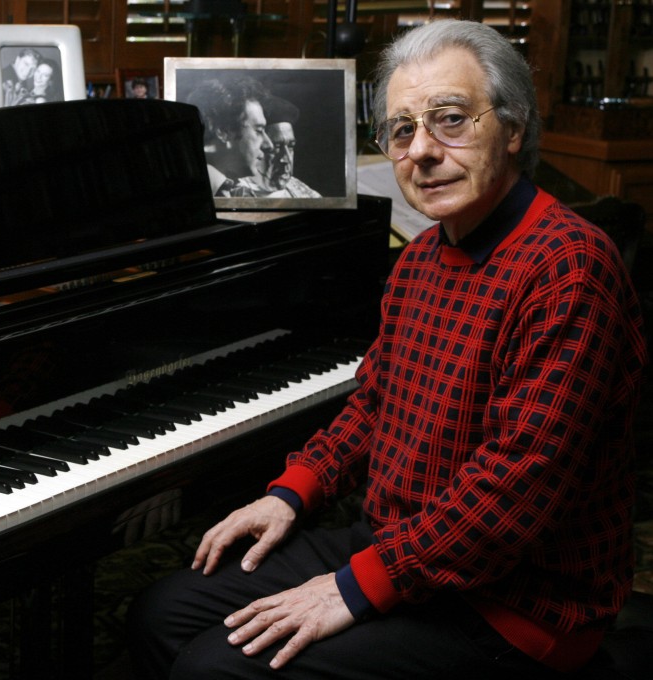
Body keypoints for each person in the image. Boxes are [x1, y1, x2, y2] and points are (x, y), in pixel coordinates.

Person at [129, 18, 646, 680]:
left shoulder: (569, 267)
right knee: (162, 612)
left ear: (514, 128)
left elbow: (515, 491)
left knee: (214, 667)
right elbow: (375, 404)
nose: (421, 149)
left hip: (518, 603)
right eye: (402, 130)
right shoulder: (422, 257)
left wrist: (350, 590)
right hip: (408, 544)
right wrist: (292, 493)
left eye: (450, 120)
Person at [184, 76, 274, 198]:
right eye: (259, 131)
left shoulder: (240, 191)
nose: (269, 145)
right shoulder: (185, 191)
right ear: (223, 132)